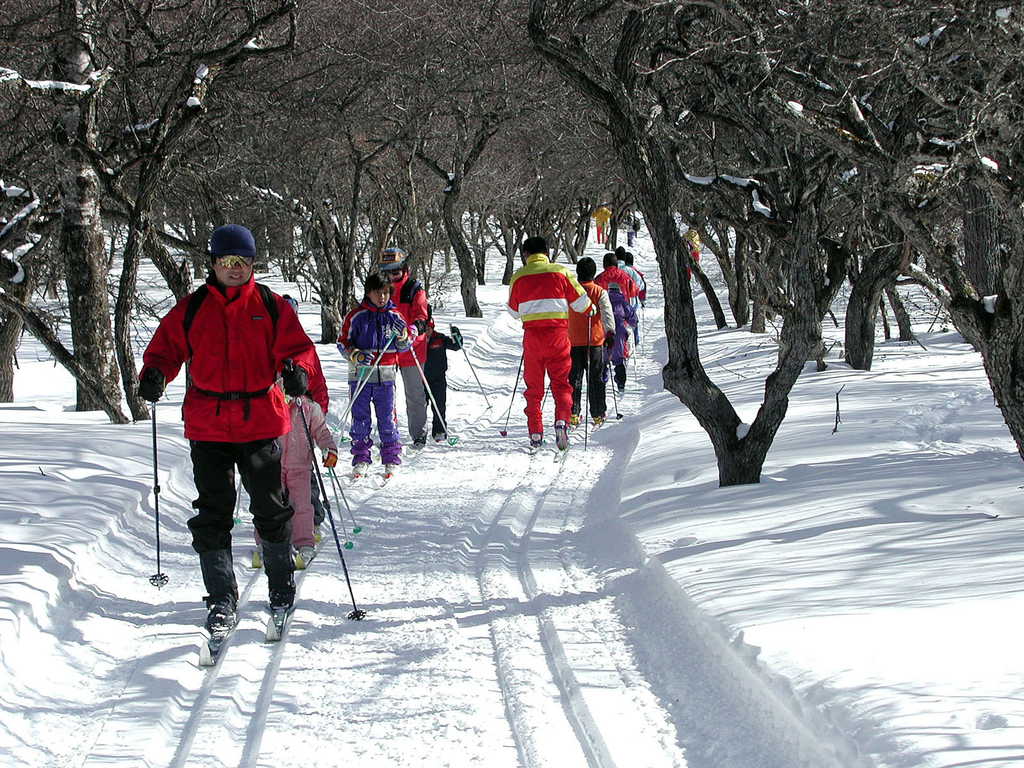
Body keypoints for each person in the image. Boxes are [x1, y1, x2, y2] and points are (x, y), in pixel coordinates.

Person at [137, 223, 320, 635]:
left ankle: (280, 585)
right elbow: (166, 348)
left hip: (260, 419)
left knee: (271, 507)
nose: (235, 269)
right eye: (227, 262)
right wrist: (155, 373)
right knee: (213, 511)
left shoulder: (271, 305)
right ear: (214, 263)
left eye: (244, 262)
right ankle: (221, 596)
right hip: (209, 422)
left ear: (252, 264)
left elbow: (299, 349)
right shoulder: (192, 307)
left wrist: (298, 373)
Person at [507, 236, 593, 450]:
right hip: (558, 335)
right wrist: (590, 309)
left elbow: (513, 311)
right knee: (561, 383)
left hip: (532, 338)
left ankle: (535, 432)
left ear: (526, 255)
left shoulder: (518, 276)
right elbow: (582, 302)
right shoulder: (561, 272)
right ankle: (562, 422)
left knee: (534, 386)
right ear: (547, 252)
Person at [253, 387, 338, 571]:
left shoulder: (308, 408)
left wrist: (328, 448)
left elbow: (321, 431)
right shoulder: (270, 403)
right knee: (269, 505)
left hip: (300, 465)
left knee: (301, 506)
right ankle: (265, 542)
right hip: (272, 464)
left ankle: (304, 543)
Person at [337, 271, 411, 476]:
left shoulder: (395, 317)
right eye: (378, 292)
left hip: (385, 376)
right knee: (360, 418)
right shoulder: (356, 316)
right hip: (360, 376)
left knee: (387, 418)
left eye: (386, 293)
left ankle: (391, 457)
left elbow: (403, 347)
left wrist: (403, 335)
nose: (382, 297)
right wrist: (355, 355)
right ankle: (360, 457)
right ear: (368, 293)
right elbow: (342, 342)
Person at [377, 246, 430, 447]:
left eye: (395, 271)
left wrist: (414, 329)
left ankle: (418, 433)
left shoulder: (415, 289)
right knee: (386, 394)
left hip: (412, 348)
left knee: (414, 393)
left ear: (403, 268)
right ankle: (389, 432)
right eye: (388, 272)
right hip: (386, 349)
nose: (392, 275)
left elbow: (422, 315)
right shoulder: (381, 289)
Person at [567, 257, 614, 427]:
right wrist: (610, 333)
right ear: (594, 273)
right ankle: (597, 413)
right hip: (595, 341)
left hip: (573, 340)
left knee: (575, 378)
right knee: (596, 378)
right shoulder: (599, 291)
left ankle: (573, 412)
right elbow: (607, 313)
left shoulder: (570, 291)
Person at [422, 306, 463, 442]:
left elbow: (456, 346)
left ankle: (439, 431)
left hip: (438, 378)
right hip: (421, 379)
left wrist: (457, 336)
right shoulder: (418, 340)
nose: (427, 332)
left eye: (429, 329)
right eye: (425, 329)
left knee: (439, 406)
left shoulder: (439, 339)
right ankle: (420, 434)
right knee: (420, 407)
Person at [606, 282, 638, 395]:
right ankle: (621, 384)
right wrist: (632, 324)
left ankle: (602, 382)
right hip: (619, 332)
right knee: (618, 359)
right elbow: (632, 317)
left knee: (603, 359)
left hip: (604, 332)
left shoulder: (603, 300)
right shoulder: (622, 302)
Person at [616, 248, 646, 345]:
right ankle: (635, 341)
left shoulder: (612, 270)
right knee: (632, 322)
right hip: (630, 302)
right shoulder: (629, 270)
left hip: (615, 303)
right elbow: (641, 285)